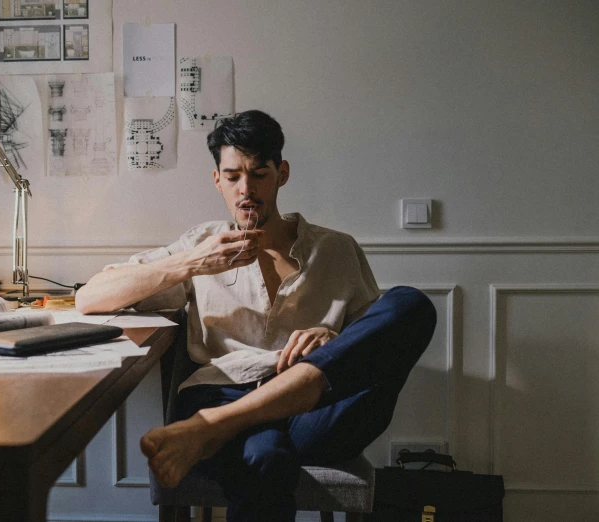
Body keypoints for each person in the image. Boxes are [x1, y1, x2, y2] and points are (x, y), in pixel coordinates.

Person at [74, 110, 437, 522]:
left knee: (411, 304)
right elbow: (91, 298)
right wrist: (191, 262)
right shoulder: (201, 245)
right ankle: (224, 421)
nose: (246, 189)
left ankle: (214, 426)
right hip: (224, 391)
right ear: (218, 181)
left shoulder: (336, 249)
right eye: (232, 177)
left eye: (259, 174)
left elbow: (374, 341)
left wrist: (331, 338)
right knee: (264, 458)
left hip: (314, 410)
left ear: (281, 173)